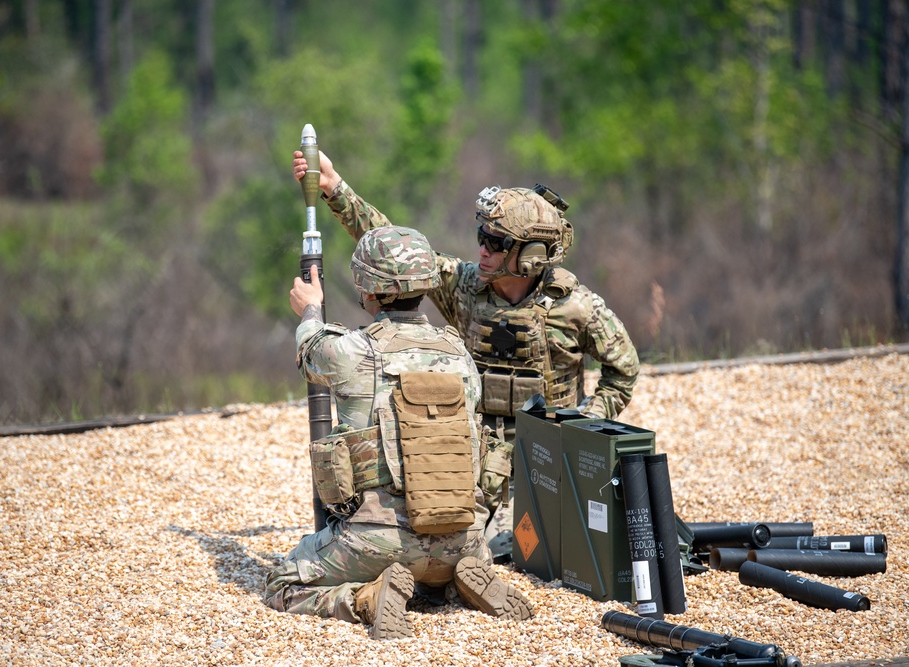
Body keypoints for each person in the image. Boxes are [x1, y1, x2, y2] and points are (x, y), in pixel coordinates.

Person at [291, 150, 641, 559]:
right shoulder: (465, 285)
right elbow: (400, 255)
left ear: (530, 254)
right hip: (465, 462)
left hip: (543, 466)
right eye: (481, 236)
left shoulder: (576, 307)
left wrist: (584, 424)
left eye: (496, 242)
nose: (483, 249)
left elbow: (623, 370)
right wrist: (335, 188)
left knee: (515, 552)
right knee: (439, 544)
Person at [262, 226, 534, 640]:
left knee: (282, 584)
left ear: (367, 289)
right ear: (425, 285)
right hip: (464, 537)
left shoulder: (354, 351)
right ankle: (454, 585)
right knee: (431, 579)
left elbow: (309, 350)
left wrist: (310, 308)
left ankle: (366, 598)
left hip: (380, 540)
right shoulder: (458, 353)